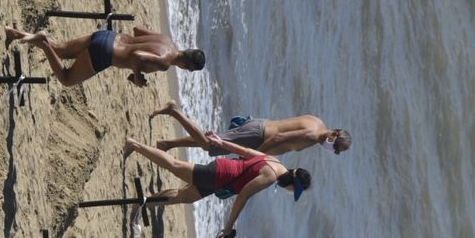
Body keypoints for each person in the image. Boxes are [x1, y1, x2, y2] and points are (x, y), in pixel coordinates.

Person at [122, 132, 310, 238]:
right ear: (292, 184)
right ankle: (135, 145)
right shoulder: (270, 176)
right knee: (174, 165)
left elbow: (245, 151)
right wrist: (229, 226)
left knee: (185, 196)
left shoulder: (275, 161)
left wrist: (222, 143)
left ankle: (141, 204)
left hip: (221, 176)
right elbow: (243, 195)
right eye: (293, 190)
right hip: (219, 175)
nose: (290, 192)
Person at [3, 24, 205, 88]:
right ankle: (42, 41)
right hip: (105, 54)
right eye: (189, 70)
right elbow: (137, 56)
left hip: (108, 36)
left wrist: (137, 61)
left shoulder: (167, 40)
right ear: (188, 66)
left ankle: (14, 33)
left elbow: (137, 29)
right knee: (66, 79)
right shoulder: (166, 62)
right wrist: (137, 76)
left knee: (61, 50)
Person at [150, 101, 351, 156]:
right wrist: (253, 156)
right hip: (258, 137)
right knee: (210, 145)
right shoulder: (312, 135)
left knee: (211, 142)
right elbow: (278, 139)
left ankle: (168, 144)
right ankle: (174, 111)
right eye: (336, 148)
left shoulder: (317, 122)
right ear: (334, 134)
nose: (333, 151)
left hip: (260, 127)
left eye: (337, 152)